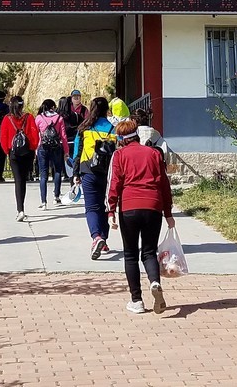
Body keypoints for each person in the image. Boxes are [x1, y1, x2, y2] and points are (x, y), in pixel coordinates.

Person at [108, 119, 175, 315]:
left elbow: (114, 184)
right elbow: (164, 185)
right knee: (149, 252)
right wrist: (168, 213)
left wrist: (111, 210)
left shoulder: (119, 155)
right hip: (153, 206)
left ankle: (136, 300)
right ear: (137, 135)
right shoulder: (154, 153)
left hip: (129, 207)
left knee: (130, 254)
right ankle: (154, 282)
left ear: (121, 139)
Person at [71, 96, 117, 260]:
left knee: (91, 208)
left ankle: (96, 237)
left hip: (88, 171)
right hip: (108, 173)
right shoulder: (113, 129)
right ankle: (103, 240)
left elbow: (77, 153)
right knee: (105, 206)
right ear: (107, 110)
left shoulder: (84, 128)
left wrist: (75, 174)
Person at [0, 96, 40, 222]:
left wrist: (7, 151)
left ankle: (20, 210)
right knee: (23, 180)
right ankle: (21, 208)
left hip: (14, 153)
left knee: (18, 180)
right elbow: (35, 135)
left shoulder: (7, 119)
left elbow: (3, 137)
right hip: (27, 152)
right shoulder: (29, 117)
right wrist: (32, 148)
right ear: (22, 105)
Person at [35, 99, 68, 208]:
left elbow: (35, 134)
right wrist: (66, 151)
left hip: (43, 147)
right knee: (57, 171)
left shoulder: (39, 118)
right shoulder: (59, 118)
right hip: (56, 147)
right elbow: (63, 136)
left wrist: (35, 148)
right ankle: (56, 197)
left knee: (43, 174)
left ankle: (43, 202)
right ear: (53, 107)